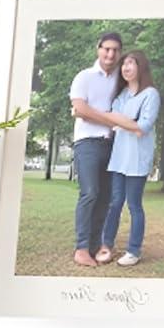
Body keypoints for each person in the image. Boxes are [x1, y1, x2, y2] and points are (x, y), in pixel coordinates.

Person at [96, 50, 160, 266]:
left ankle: (134, 250)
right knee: (115, 203)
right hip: (119, 157)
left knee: (134, 205)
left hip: (137, 160)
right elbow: (114, 120)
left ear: (140, 67)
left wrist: (127, 123)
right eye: (123, 64)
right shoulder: (121, 96)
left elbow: (144, 127)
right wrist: (130, 122)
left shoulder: (150, 94)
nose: (125, 67)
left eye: (130, 63)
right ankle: (107, 245)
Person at [67, 32, 123, 267]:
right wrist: (112, 120)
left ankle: (95, 246)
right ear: (98, 48)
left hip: (113, 145)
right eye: (106, 49)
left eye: (115, 50)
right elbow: (79, 108)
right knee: (89, 193)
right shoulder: (84, 77)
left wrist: (92, 114)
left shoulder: (121, 79)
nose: (110, 54)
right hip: (87, 143)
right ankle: (81, 249)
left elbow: (88, 111)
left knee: (106, 198)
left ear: (120, 53)